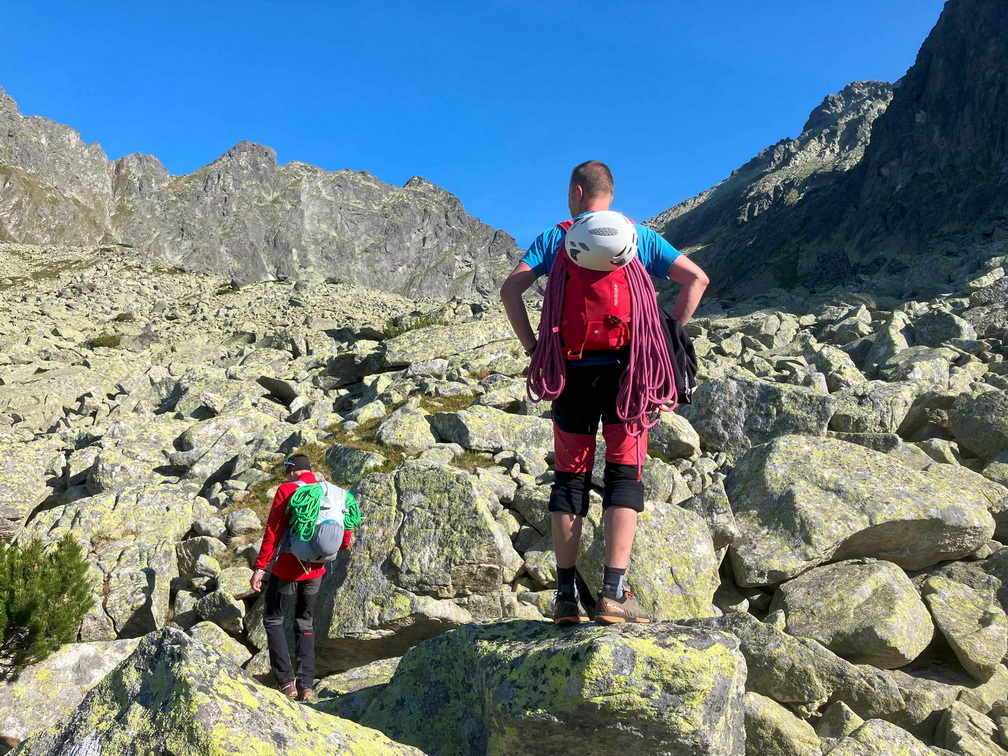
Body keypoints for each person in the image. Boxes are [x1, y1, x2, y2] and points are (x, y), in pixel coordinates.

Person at [499, 160, 709, 625]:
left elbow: (511, 290)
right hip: (630, 377)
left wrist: (535, 349)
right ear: (609, 193)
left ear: (577, 192)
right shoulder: (640, 237)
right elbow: (697, 279)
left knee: (569, 481)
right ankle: (613, 593)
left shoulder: (557, 238)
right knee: (624, 477)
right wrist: (665, 335)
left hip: (571, 374)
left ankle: (565, 597)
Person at [250, 454, 353, 701]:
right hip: (316, 569)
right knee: (305, 622)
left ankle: (286, 682)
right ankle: (306, 684)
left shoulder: (287, 490)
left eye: (287, 472)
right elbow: (345, 540)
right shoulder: (336, 494)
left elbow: (273, 531)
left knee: (273, 619)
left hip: (287, 567)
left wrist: (260, 567)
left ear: (292, 471)